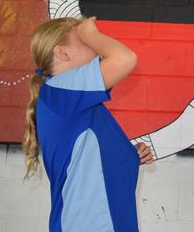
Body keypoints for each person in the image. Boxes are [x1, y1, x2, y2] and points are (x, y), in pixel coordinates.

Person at [23, 17, 154, 232]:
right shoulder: (60, 91)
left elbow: (88, 162)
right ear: (62, 53)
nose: (97, 49)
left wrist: (130, 155)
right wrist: (89, 33)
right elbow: (125, 58)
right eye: (85, 42)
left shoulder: (74, 100)